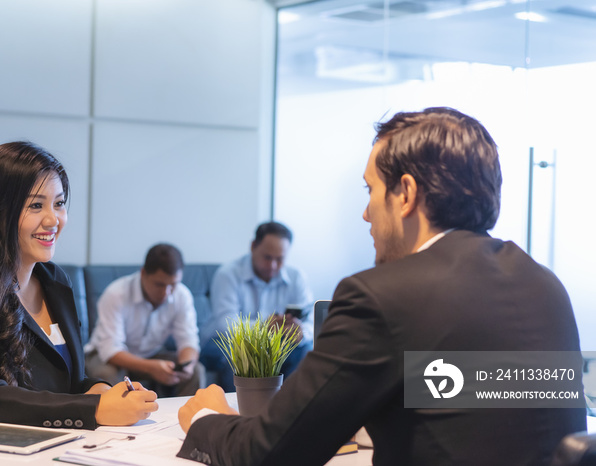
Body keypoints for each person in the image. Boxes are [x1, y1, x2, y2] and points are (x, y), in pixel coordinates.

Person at [176, 108, 586, 465]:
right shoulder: (544, 285)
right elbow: (481, 407)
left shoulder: (382, 296)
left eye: (370, 190)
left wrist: (208, 418)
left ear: (405, 194)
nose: (365, 214)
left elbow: (266, 454)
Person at [0, 141, 158, 429]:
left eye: (59, 204)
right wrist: (95, 409)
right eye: (36, 205)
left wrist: (105, 392)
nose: (53, 220)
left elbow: (72, 383)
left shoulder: (55, 281)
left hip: (66, 444)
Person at [200, 221, 314, 391]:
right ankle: (237, 412)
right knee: (239, 354)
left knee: (306, 350)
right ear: (253, 246)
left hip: (279, 345)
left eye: (280, 259)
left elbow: (312, 323)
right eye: (267, 257)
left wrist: (300, 333)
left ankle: (289, 410)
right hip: (224, 343)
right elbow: (225, 324)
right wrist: (265, 328)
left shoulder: (296, 277)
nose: (273, 266)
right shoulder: (228, 274)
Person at [85, 243, 205, 397]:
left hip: (151, 355)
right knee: (105, 373)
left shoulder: (182, 295)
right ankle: (115, 419)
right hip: (106, 357)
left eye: (173, 285)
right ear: (143, 273)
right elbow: (111, 350)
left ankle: (189, 419)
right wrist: (151, 367)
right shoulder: (116, 294)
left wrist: (187, 365)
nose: (167, 293)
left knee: (196, 370)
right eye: (159, 284)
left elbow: (188, 341)